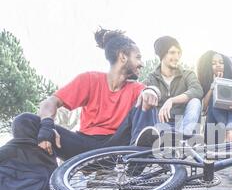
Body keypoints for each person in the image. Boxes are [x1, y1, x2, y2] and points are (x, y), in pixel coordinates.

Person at [10, 28, 160, 162]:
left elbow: (152, 93)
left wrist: (151, 90)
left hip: (117, 146)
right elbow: (50, 102)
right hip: (83, 146)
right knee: (24, 121)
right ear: (123, 57)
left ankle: (137, 159)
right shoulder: (89, 79)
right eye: (138, 57)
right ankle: (46, 178)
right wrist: (46, 127)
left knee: (146, 99)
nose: (142, 63)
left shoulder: (136, 88)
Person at [145, 36, 203, 137]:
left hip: (183, 123)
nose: (177, 57)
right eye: (172, 52)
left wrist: (171, 100)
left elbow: (197, 90)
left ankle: (184, 140)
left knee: (195, 101)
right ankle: (152, 138)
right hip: (160, 123)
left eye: (178, 53)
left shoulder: (188, 74)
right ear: (162, 54)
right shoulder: (151, 78)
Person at [197, 50, 232, 143]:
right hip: (213, 127)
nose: (218, 65)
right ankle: (229, 132)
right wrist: (214, 85)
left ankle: (230, 130)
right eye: (213, 63)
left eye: (221, 62)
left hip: (231, 126)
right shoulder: (204, 84)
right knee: (215, 96)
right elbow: (203, 107)